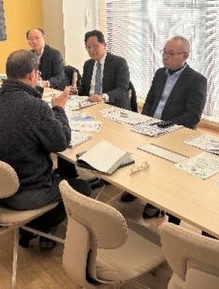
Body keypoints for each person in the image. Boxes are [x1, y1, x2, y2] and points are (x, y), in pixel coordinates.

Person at [0, 50, 90, 250]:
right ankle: (38, 225)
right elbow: (61, 142)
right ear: (32, 74)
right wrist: (58, 109)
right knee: (82, 188)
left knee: (62, 173)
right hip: (26, 192)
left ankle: (40, 224)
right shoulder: (34, 107)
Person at [122, 36, 207, 222]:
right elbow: (150, 100)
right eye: (164, 52)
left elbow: (193, 116)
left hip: (174, 133)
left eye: (170, 53)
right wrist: (144, 121)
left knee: (163, 169)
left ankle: (156, 201)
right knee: (137, 152)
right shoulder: (161, 73)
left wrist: (162, 126)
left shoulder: (196, 80)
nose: (165, 57)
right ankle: (137, 189)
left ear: (185, 56)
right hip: (151, 126)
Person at [75, 30, 130, 109]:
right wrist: (76, 91)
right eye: (88, 47)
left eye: (95, 46)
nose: (91, 50)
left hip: (110, 106)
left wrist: (102, 97)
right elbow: (84, 88)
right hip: (89, 104)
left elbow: (122, 90)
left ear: (104, 45)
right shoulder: (88, 64)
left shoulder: (119, 63)